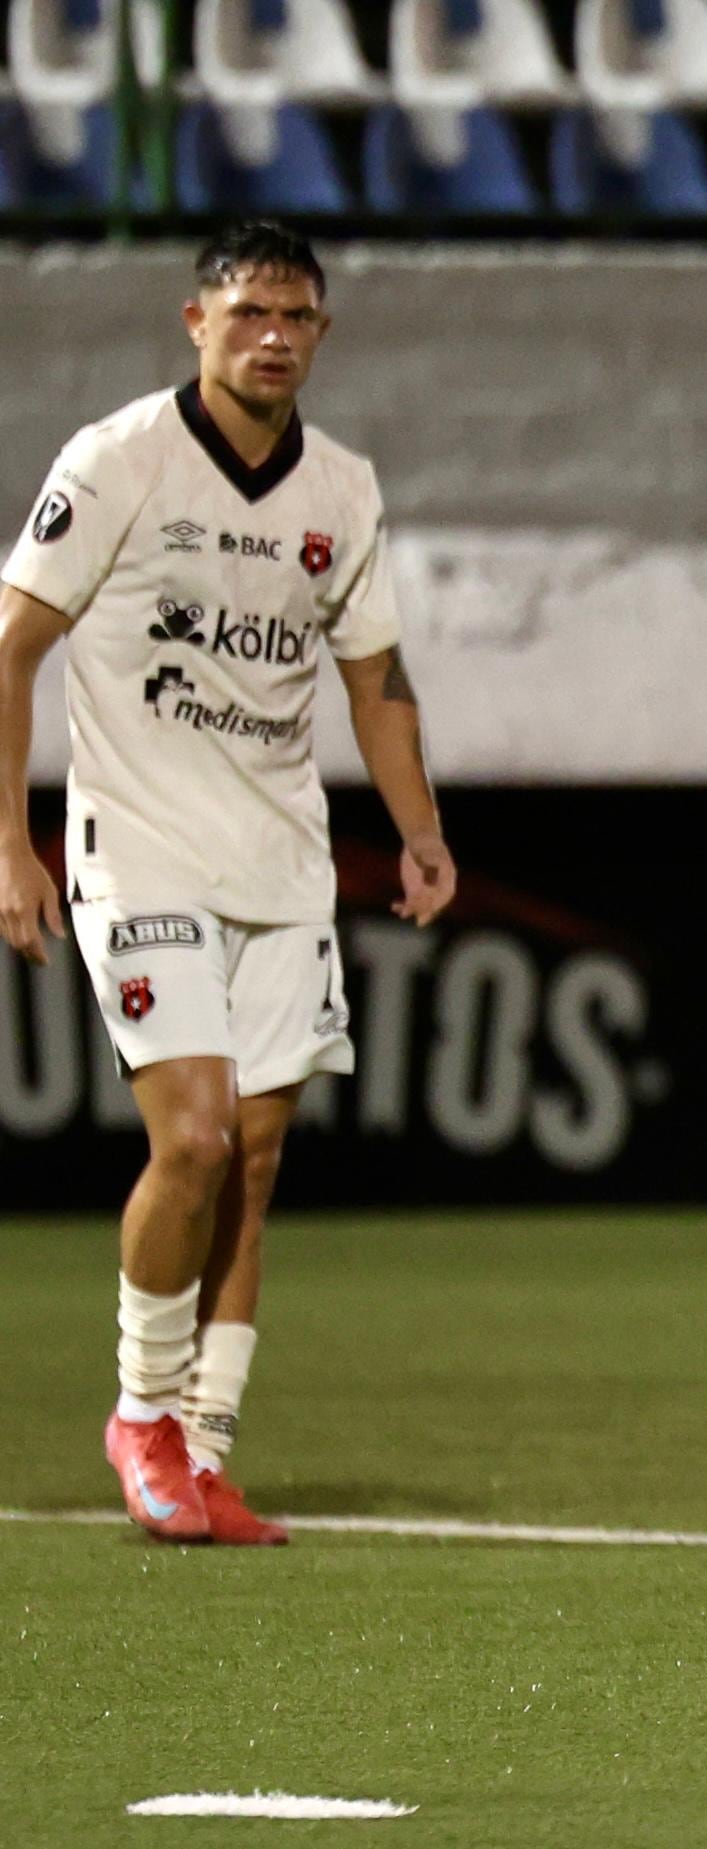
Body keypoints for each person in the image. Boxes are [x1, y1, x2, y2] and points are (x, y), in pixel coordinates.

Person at [0, 221, 457, 1545]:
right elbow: (13, 647)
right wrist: (11, 843)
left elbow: (374, 679)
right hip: (138, 843)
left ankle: (203, 1451)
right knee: (190, 1136)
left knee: (252, 1168)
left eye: (297, 316)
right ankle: (141, 1412)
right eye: (249, 310)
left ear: (319, 335)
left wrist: (419, 830)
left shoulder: (342, 492)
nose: (273, 335)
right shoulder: (117, 462)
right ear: (194, 324)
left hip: (280, 860)